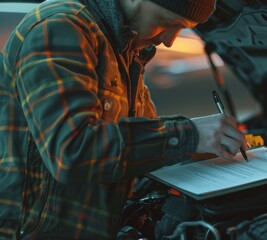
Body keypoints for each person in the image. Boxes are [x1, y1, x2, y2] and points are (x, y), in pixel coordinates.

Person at [0, 0, 247, 239]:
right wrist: (191, 135)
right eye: (167, 22)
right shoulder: (59, 27)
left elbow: (140, 147)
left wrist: (209, 144)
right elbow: (73, 150)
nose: (170, 41)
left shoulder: (124, 48)